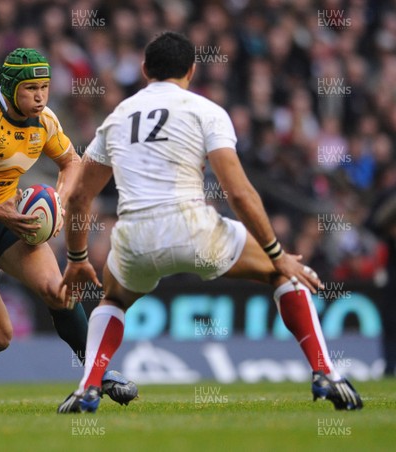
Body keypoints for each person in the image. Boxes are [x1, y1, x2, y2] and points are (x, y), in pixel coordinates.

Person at [57, 32, 363, 413]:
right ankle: (325, 373)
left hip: (134, 236)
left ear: (143, 70)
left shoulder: (116, 117)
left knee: (114, 299)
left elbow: (78, 197)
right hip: (194, 230)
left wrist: (76, 258)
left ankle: (88, 385)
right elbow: (239, 192)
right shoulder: (206, 110)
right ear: (191, 70)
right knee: (284, 273)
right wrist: (277, 252)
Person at [0, 48, 137, 410]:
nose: (40, 96)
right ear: (10, 89)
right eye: (30, 89)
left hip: (10, 223)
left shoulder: (45, 121)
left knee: (60, 292)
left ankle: (96, 374)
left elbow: (71, 162)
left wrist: (57, 200)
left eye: (45, 87)